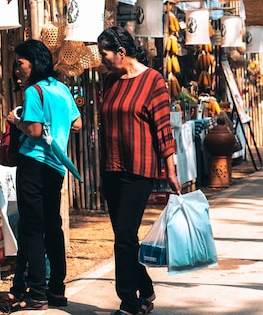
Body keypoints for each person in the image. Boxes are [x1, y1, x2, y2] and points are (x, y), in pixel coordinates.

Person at [97, 26, 182, 315]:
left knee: (123, 236)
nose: (102, 59)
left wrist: (170, 170)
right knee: (126, 239)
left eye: (105, 53)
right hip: (112, 168)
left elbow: (163, 128)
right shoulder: (110, 81)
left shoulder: (153, 80)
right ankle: (145, 290)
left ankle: (129, 303)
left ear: (121, 52)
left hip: (139, 169)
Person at [4, 40, 82, 311]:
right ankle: (57, 290)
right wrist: (57, 123)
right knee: (52, 226)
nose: (18, 70)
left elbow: (34, 131)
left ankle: (37, 293)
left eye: (20, 63)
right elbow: (78, 123)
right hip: (56, 167)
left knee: (33, 228)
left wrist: (17, 121)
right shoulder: (61, 89)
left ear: (33, 64)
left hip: (34, 164)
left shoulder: (34, 91)